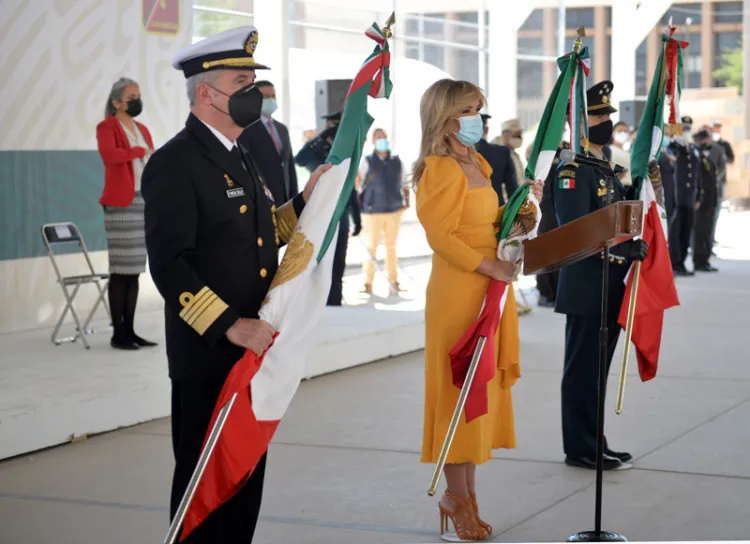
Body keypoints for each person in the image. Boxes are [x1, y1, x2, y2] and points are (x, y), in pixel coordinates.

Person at [141, 26, 328, 544]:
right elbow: (170, 265)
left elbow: (263, 232)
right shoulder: (175, 163)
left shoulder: (243, 153)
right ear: (207, 92)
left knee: (243, 475)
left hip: (255, 346)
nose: (256, 94)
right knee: (205, 482)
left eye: (255, 82)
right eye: (242, 82)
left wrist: (307, 201)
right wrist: (229, 325)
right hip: (211, 351)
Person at [415, 78, 543, 541]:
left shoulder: (479, 163)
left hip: (490, 286)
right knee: (457, 392)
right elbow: (441, 236)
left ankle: (466, 498)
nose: (479, 119)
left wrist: (525, 206)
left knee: (476, 397)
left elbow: (488, 222)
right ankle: (457, 499)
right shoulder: (440, 168)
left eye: (481, 109)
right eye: (471, 109)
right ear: (447, 117)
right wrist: (489, 264)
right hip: (459, 290)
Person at [551, 80, 649, 471]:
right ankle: (579, 447)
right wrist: (620, 247)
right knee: (582, 372)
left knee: (597, 372)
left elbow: (615, 215)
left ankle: (596, 440)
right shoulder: (572, 170)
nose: (606, 121)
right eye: (598, 115)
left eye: (609, 115)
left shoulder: (602, 167)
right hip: (587, 285)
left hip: (609, 285)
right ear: (579, 121)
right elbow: (574, 228)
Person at [96, 77, 157, 350]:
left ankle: (130, 330)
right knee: (120, 270)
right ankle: (118, 332)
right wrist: (137, 150)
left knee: (134, 271)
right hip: (121, 203)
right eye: (131, 96)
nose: (136, 101)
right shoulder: (106, 127)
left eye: (138, 95)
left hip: (143, 200)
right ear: (116, 102)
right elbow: (110, 156)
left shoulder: (141, 127)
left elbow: (151, 157)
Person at [295, 111, 361, 306]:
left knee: (338, 265)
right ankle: (315, 306)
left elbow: (351, 187)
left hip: (340, 215)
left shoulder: (349, 152)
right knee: (317, 265)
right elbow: (299, 159)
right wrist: (320, 138)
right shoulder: (319, 150)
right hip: (320, 213)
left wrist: (356, 217)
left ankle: (335, 304)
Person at [357, 128, 406, 295]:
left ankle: (394, 280)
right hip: (372, 210)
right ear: (373, 141)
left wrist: (407, 201)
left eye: (384, 137)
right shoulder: (367, 161)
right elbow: (359, 183)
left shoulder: (397, 161)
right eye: (378, 138)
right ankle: (368, 283)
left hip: (393, 209)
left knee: (391, 247)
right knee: (371, 247)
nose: (382, 140)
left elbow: (404, 181)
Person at [238, 80, 299, 204]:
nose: (270, 100)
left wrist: (295, 199)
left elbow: (289, 166)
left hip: (285, 198)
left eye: (273, 96)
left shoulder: (281, 129)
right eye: (265, 97)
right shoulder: (245, 129)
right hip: (262, 198)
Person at [535, 142, 569, 308]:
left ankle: (549, 292)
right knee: (549, 252)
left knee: (549, 251)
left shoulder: (542, 163)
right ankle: (549, 292)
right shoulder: (556, 164)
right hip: (549, 210)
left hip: (548, 211)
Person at [668, 116, 702, 277]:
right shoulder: (675, 146)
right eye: (684, 128)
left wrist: (698, 195)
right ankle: (674, 263)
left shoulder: (693, 149)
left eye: (688, 128)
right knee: (676, 231)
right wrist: (676, 139)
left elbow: (697, 174)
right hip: (677, 197)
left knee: (686, 231)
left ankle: (681, 262)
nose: (687, 130)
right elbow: (671, 155)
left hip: (689, 197)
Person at [692, 127, 720, 272]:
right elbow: (698, 180)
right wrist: (699, 197)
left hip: (710, 200)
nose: (709, 141)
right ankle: (699, 260)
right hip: (702, 201)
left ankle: (705, 259)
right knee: (700, 231)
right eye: (707, 139)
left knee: (707, 230)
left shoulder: (705, 156)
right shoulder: (696, 157)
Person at [475, 113, 518, 206]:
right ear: (486, 130)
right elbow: (512, 189)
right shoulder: (502, 152)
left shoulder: (459, 154)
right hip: (496, 208)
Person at [609, 121, 632, 186]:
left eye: (625, 131)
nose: (622, 133)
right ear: (613, 133)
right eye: (619, 131)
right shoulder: (609, 150)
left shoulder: (628, 153)